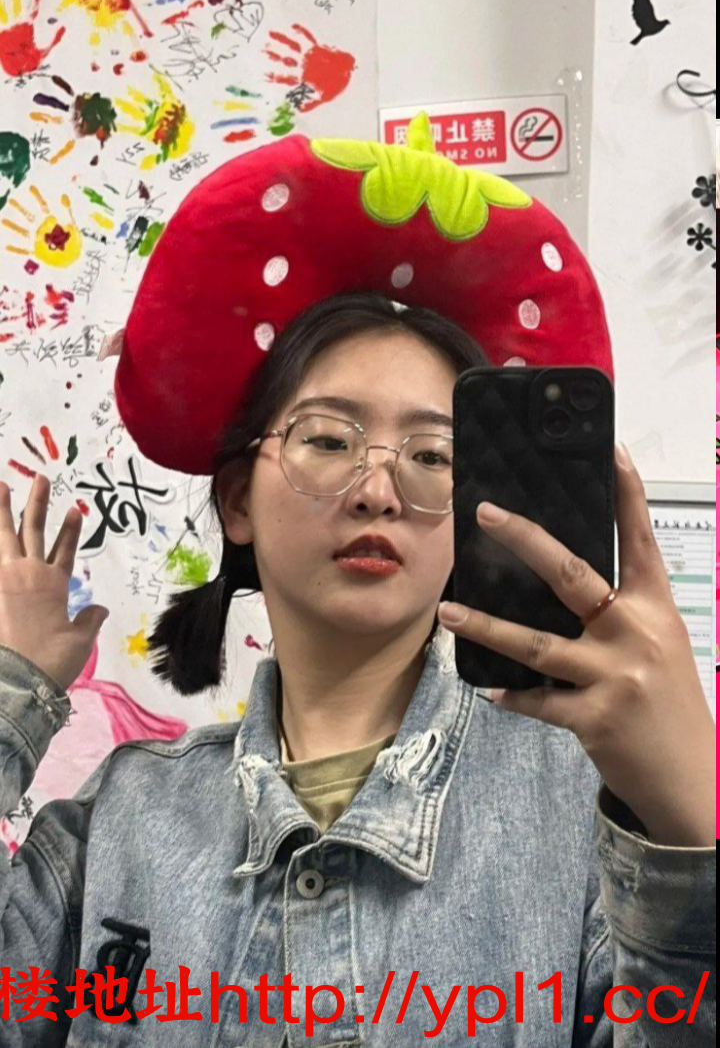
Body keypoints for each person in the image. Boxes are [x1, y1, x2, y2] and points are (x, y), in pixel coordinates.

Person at [0, 116, 715, 1046]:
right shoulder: (122, 819)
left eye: (433, 456)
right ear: (238, 500)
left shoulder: (580, 814)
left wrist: (689, 825)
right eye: (330, 439)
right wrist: (13, 686)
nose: (378, 489)